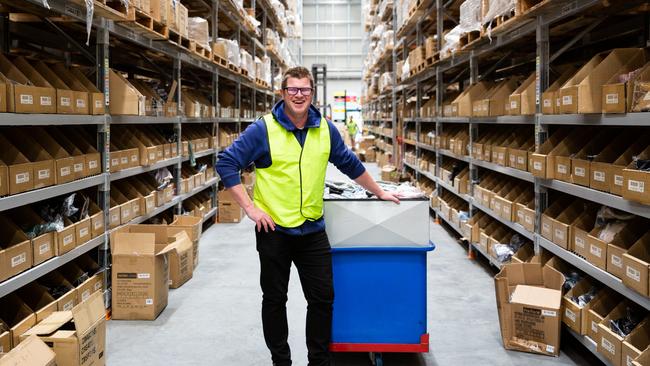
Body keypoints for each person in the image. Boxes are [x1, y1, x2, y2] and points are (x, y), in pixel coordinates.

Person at [216, 66, 400, 366]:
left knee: (323, 298)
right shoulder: (263, 129)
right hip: (273, 230)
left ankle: (319, 361)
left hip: (312, 229)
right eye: (293, 89)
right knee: (275, 299)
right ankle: (281, 360)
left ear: (312, 93)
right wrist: (250, 208)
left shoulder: (325, 129)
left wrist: (379, 192)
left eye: (305, 90)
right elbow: (226, 163)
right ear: (282, 93)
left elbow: (350, 164)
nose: (299, 95)